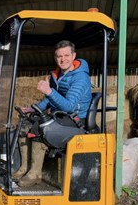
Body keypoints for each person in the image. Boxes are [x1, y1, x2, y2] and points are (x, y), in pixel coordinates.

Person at [17, 40, 92, 187]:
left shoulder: (80, 78)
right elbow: (51, 100)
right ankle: (24, 167)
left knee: (40, 128)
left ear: (74, 56)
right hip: (60, 116)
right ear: (55, 58)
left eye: (66, 55)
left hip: (75, 120)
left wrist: (49, 91)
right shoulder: (58, 75)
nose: (63, 59)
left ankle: (35, 174)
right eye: (59, 56)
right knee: (25, 126)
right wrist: (36, 108)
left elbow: (69, 106)